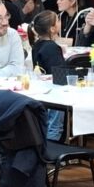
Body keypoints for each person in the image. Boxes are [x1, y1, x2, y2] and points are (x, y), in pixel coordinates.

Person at [30, 11, 66, 140]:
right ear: (52, 28)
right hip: (55, 92)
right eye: (58, 21)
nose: (60, 22)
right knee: (54, 126)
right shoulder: (51, 48)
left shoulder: (36, 45)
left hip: (43, 90)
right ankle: (52, 149)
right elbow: (59, 73)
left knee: (46, 124)